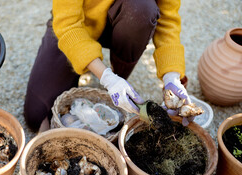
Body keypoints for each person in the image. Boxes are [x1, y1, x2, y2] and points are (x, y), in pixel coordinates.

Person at [24, 0, 192, 132]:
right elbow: (67, 24)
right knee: (36, 115)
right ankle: (107, 78)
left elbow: (167, 20)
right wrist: (106, 77)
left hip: (129, 18)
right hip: (76, 25)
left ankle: (119, 84)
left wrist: (172, 76)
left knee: (141, 9)